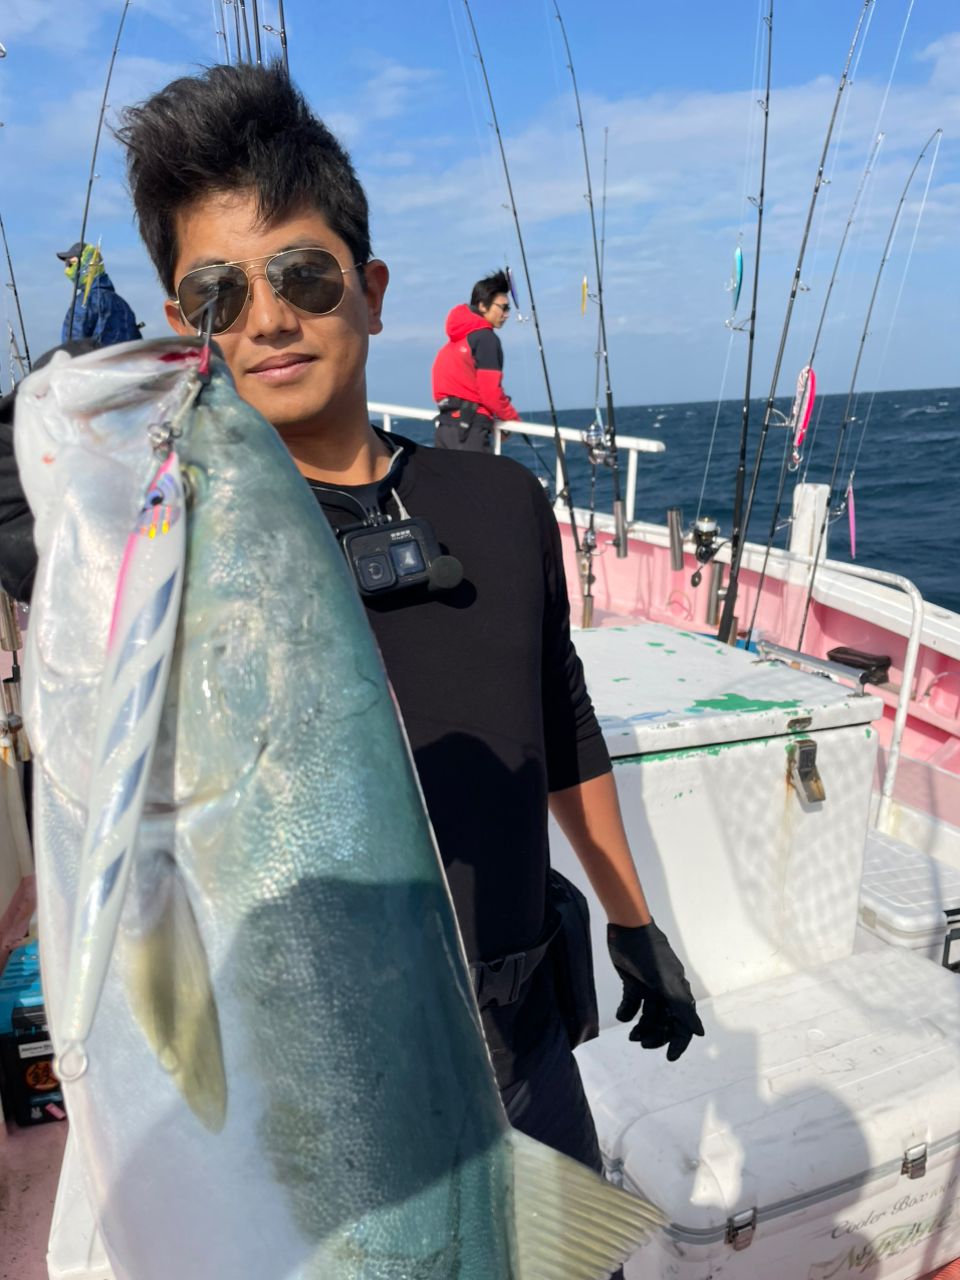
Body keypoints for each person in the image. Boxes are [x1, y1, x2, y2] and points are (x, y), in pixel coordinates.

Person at [4, 65, 702, 1196]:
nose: (271, 315)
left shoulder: (502, 502)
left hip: (524, 1046)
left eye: (305, 275)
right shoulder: (176, 537)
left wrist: (634, 924)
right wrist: (46, 478)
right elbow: (61, 576)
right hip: (320, 1060)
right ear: (186, 327)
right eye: (219, 294)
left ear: (371, 290)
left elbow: (558, 721)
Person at [431, 269, 520, 452]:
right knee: (476, 480)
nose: (507, 314)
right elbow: (490, 392)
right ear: (482, 306)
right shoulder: (486, 339)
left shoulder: (458, 338)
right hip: (469, 430)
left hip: (446, 426)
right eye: (503, 307)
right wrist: (512, 420)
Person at [57, 241, 142, 346]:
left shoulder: (84, 302)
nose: (66, 269)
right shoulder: (122, 304)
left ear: (86, 263)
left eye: (70, 263)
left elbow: (71, 349)